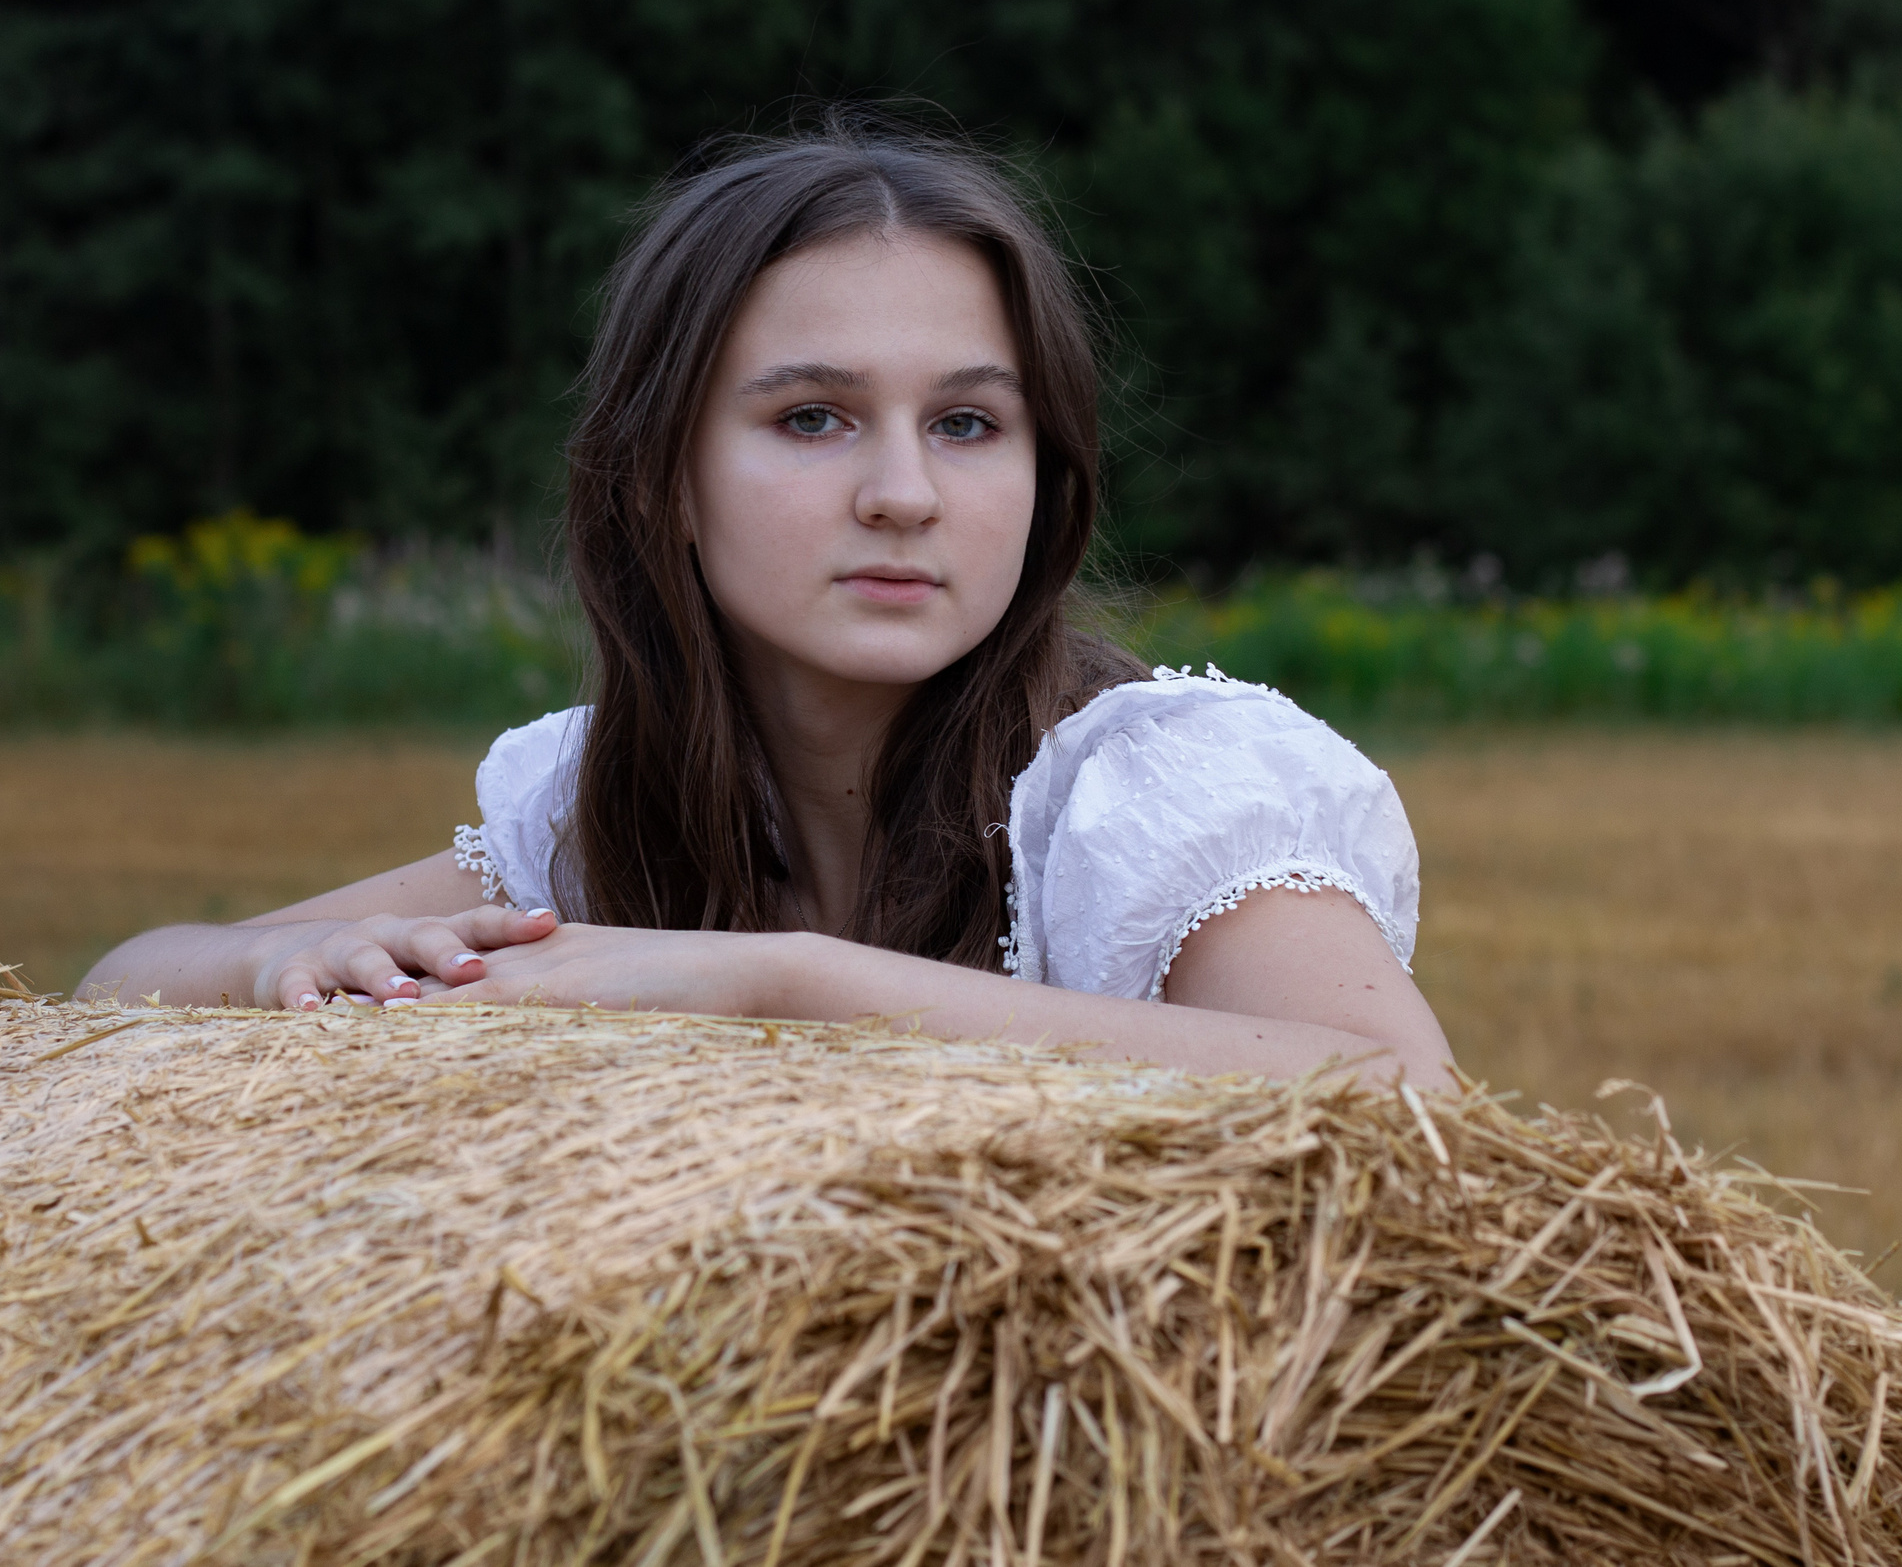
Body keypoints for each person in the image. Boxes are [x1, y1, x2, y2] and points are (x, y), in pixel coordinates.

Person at [82, 122, 1456, 1092]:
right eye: (814, 417)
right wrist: (300, 968)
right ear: (660, 477)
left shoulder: (1149, 792)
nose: (904, 493)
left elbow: (1398, 1098)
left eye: (970, 423)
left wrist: (776, 983)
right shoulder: (605, 804)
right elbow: (122, 979)